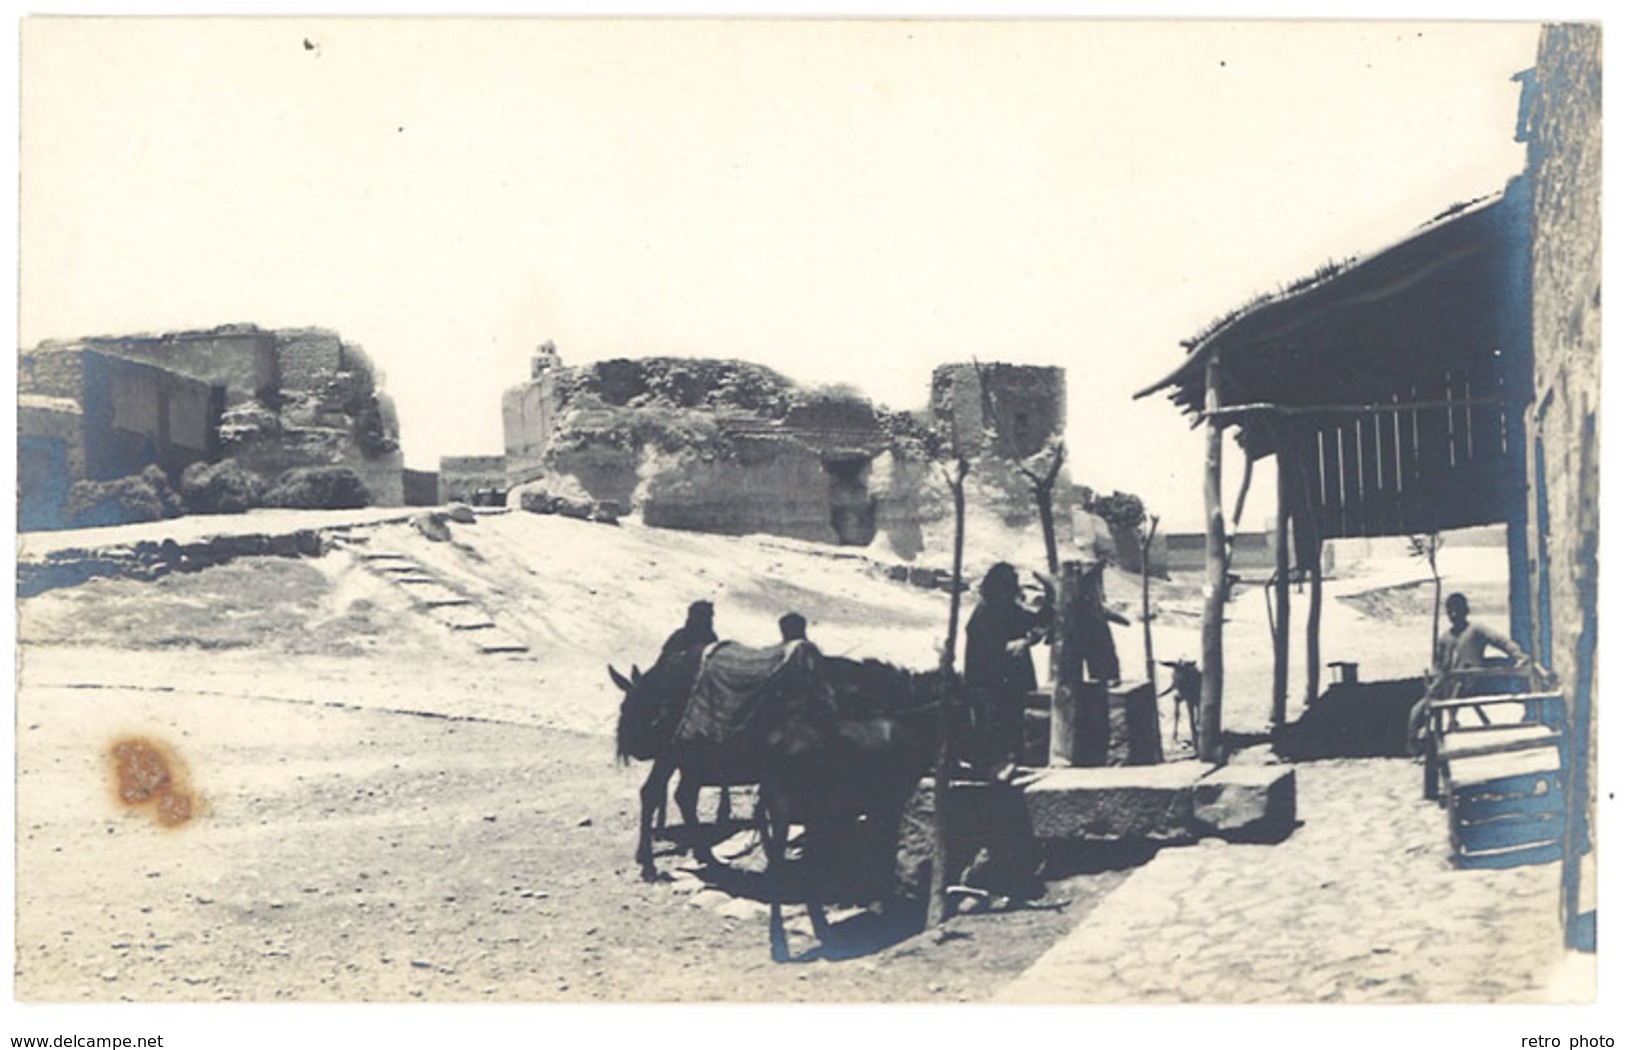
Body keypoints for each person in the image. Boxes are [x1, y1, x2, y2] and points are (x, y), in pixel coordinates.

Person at [1408, 592, 1528, 748]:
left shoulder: (1476, 630)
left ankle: (1451, 725)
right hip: (1447, 684)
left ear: (1466, 611)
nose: (1453, 614)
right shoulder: (1445, 638)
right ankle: (1416, 747)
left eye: (1457, 611)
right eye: (1450, 611)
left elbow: (1501, 641)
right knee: (1417, 711)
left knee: (1453, 698)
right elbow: (1439, 665)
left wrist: (1518, 656)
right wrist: (1434, 682)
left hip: (1470, 682)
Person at [964, 563, 1049, 780]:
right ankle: (993, 765)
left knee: (1014, 724)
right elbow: (985, 649)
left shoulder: (1009, 610)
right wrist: (1010, 647)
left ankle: (1010, 762)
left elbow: (1038, 621)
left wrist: (1029, 638)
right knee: (993, 726)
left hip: (1011, 683)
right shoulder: (983, 613)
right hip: (988, 683)